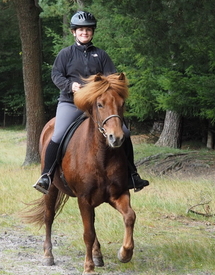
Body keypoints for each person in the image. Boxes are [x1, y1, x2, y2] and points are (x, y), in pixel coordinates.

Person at [33, 11, 149, 194]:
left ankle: (132, 174)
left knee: (124, 132)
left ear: (92, 32)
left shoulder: (101, 55)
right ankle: (46, 176)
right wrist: (70, 86)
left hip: (98, 107)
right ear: (74, 32)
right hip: (70, 103)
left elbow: (112, 78)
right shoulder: (65, 54)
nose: (84, 33)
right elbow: (55, 75)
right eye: (80, 30)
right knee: (57, 134)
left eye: (88, 30)